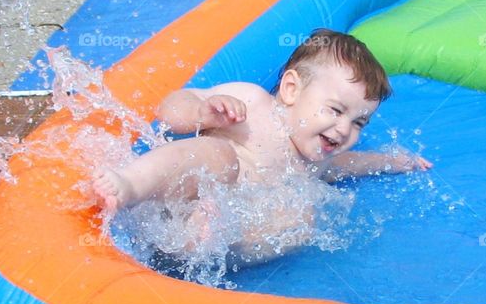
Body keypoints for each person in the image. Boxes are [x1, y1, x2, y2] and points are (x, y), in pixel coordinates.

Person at [93, 28, 431, 263]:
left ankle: (207, 242)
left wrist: (391, 161)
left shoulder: (317, 161)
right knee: (220, 156)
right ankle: (129, 184)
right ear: (291, 89)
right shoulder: (252, 106)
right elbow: (170, 107)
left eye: (359, 122)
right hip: (173, 204)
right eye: (336, 110)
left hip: (209, 233)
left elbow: (349, 165)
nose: (344, 130)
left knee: (300, 217)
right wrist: (200, 112)